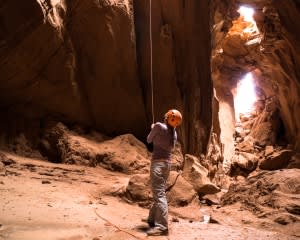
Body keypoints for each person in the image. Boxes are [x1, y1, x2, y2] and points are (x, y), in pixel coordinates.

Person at [145, 109, 182, 236]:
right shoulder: (174, 133)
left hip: (158, 164)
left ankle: (161, 227)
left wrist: (153, 128)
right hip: (167, 165)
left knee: (159, 194)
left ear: (167, 117)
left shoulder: (159, 126)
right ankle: (152, 219)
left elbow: (149, 140)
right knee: (159, 192)